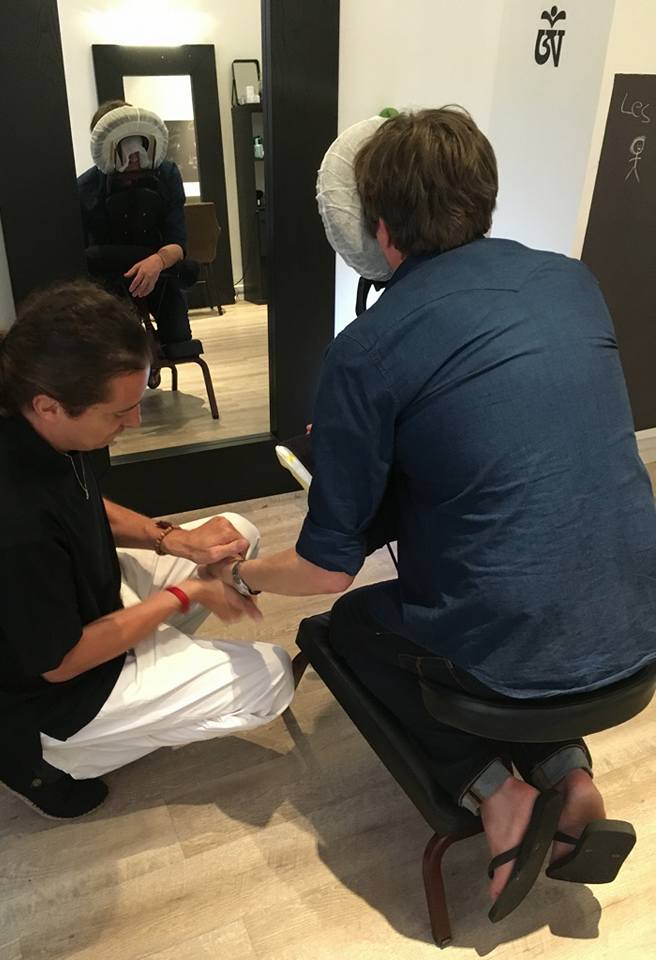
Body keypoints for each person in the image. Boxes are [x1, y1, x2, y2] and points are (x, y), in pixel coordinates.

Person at [201, 108, 656, 918]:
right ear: (483, 194)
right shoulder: (571, 281)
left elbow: (327, 569)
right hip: (638, 629)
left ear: (377, 228)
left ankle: (497, 796)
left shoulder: (367, 350)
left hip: (520, 655)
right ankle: (568, 772)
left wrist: (245, 574)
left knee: (349, 627)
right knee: (526, 606)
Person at [0, 281, 292, 820]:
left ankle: (150, 666)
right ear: (50, 406)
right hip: (51, 695)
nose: (135, 422)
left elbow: (75, 501)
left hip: (80, 599)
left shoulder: (9, 401)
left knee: (234, 534)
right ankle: (49, 761)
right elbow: (60, 663)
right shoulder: (8, 523)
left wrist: (169, 538)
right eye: (120, 412)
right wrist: (184, 595)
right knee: (272, 678)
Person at [77, 100, 193, 348]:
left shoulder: (167, 174)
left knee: (179, 340)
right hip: (108, 278)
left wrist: (157, 262)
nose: (133, 157)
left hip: (162, 272)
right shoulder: (85, 189)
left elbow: (178, 242)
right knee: (118, 345)